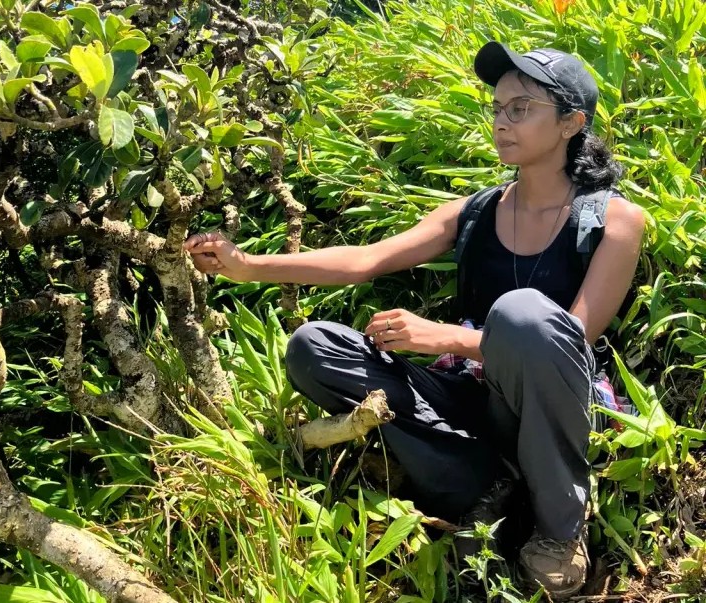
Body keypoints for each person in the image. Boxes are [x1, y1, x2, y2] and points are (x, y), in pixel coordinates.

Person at [184, 41, 646, 599]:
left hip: (553, 406)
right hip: (472, 395)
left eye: (520, 108)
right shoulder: (475, 211)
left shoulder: (614, 220)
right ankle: (480, 482)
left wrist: (447, 337)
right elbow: (366, 259)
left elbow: (574, 338)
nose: (501, 121)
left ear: (572, 122)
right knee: (315, 346)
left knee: (522, 314)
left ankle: (556, 530)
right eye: (497, 108)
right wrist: (247, 266)